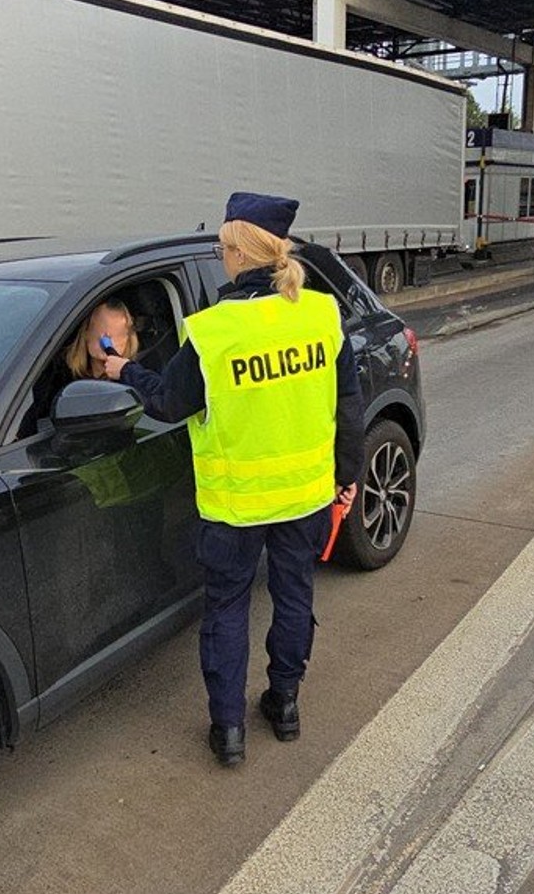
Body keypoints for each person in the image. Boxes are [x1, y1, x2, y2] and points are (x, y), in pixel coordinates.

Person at [103, 192, 362, 767]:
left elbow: (168, 403)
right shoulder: (321, 314)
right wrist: (346, 475)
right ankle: (285, 705)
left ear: (240, 253)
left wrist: (127, 370)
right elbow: (349, 404)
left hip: (234, 505)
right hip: (304, 496)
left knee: (227, 610)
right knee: (294, 597)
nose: (222, 255)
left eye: (224, 246)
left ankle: (228, 732)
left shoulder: (214, 331)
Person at [64, 299, 140, 380]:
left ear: (128, 338)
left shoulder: (135, 379)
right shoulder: (66, 377)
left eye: (116, 331)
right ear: (86, 333)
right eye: (102, 326)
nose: (107, 336)